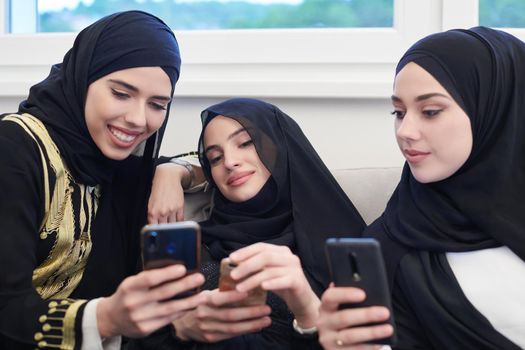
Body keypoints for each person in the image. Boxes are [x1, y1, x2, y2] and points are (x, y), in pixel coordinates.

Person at [0, 11, 207, 350]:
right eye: (121, 94)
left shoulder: (114, 165)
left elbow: (212, 166)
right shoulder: (14, 149)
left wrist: (171, 172)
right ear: (83, 79)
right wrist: (106, 318)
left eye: (157, 104)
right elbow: (5, 305)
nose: (138, 120)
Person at [317, 26, 525, 349]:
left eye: (430, 111)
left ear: (496, 108)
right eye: (398, 113)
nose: (405, 131)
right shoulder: (390, 249)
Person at [137, 98, 366, 349]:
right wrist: (170, 170)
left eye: (246, 143)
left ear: (280, 146)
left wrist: (307, 312)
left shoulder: (340, 241)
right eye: (214, 158)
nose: (229, 162)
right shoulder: (193, 247)